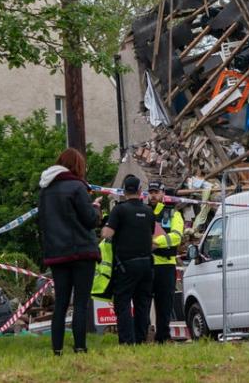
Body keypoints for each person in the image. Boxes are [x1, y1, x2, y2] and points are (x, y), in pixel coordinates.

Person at [38, 148, 102, 356]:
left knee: (61, 304)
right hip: (81, 251)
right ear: (77, 166)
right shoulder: (77, 187)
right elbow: (90, 220)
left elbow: (43, 222)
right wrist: (96, 208)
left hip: (57, 253)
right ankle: (80, 347)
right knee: (81, 302)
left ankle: (57, 349)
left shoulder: (45, 190)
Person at [102, 174, 155, 345]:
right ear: (140, 191)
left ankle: (126, 341)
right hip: (147, 263)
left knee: (123, 303)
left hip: (126, 265)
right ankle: (140, 339)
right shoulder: (148, 211)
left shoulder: (119, 210)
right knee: (142, 304)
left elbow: (107, 234)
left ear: (124, 191)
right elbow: (152, 236)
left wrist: (106, 225)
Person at [147, 181, 183, 344]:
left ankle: (163, 337)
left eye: (156, 192)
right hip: (146, 265)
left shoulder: (172, 214)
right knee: (143, 304)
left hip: (165, 265)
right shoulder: (144, 212)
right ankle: (144, 336)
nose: (153, 195)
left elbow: (176, 236)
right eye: (151, 192)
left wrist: (156, 242)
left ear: (163, 194)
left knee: (164, 306)